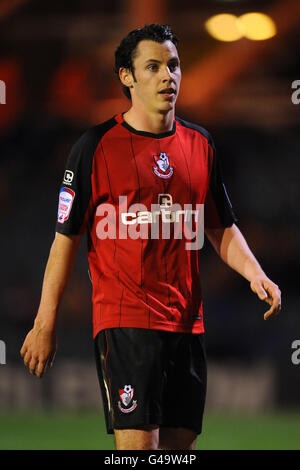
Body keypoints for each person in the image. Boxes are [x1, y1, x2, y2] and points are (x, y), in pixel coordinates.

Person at [20, 24, 281, 450]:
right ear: (127, 76)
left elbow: (220, 227)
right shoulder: (94, 146)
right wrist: (44, 323)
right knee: (139, 449)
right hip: (125, 324)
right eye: (154, 66)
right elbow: (64, 239)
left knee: (179, 450)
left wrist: (256, 274)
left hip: (186, 323)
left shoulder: (201, 145)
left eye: (174, 65)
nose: (168, 76)